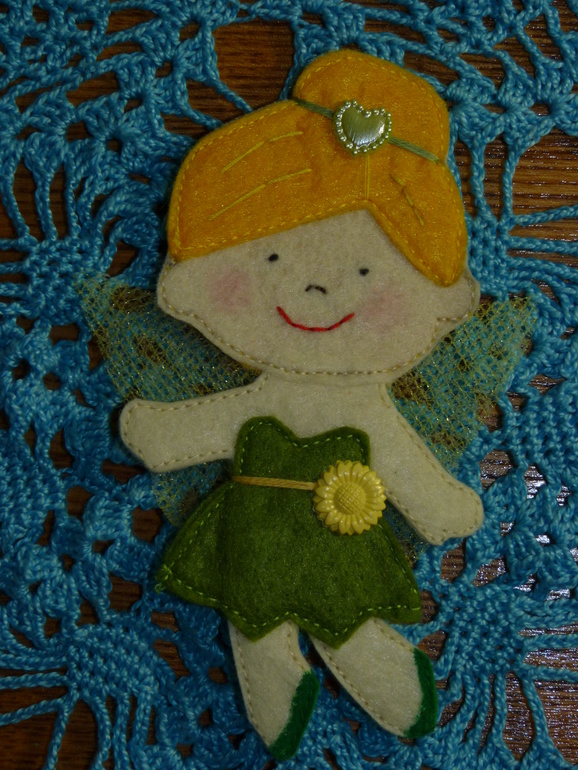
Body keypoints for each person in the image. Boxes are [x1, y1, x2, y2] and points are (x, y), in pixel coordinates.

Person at [120, 50, 483, 760]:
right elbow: (217, 422)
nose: (316, 289)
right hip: (255, 537)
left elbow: (399, 458)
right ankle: (281, 700)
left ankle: (390, 685)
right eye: (273, 260)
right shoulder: (274, 392)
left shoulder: (362, 404)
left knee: (345, 618)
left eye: (364, 270)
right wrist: (161, 434)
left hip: (335, 541)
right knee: (254, 618)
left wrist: (438, 505)